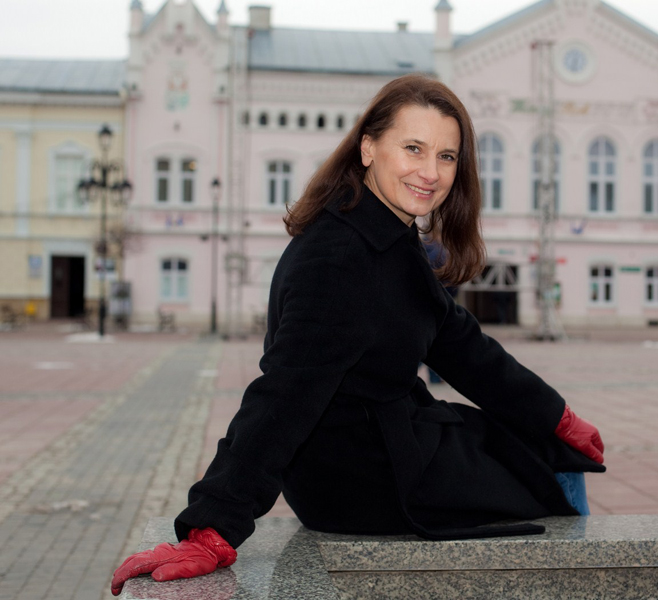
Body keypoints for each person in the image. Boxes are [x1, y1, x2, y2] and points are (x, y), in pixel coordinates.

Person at [111, 74, 605, 595]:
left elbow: (458, 341)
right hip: (363, 475)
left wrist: (555, 415)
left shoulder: (383, 233)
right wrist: (212, 527)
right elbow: (285, 394)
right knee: (555, 474)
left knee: (548, 448)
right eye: (413, 149)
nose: (431, 172)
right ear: (368, 148)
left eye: (446, 156)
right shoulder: (341, 256)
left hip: (380, 450)